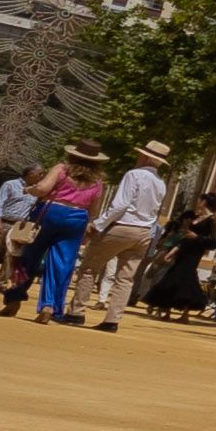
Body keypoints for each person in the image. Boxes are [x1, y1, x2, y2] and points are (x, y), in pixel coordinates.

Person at [77, 140, 173, 331]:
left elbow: (120, 205)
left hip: (123, 226)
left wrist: (99, 224)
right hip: (143, 232)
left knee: (89, 267)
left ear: (145, 157)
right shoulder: (161, 183)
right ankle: (112, 319)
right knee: (125, 279)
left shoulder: (134, 174)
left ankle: (76, 311)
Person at [6, 144, 107, 321]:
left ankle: (14, 299)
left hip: (50, 213)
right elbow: (94, 210)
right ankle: (49, 305)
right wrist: (87, 228)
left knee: (29, 256)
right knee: (62, 263)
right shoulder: (97, 181)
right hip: (77, 218)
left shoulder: (62, 169)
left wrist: (30, 190)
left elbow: (43, 189)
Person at [137, 197, 216, 318]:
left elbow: (213, 241)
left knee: (186, 279)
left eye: (200, 200)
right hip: (183, 251)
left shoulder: (212, 219)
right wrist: (171, 252)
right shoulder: (196, 217)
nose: (198, 202)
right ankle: (167, 310)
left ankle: (185, 314)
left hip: (194, 253)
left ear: (205, 202)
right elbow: (184, 239)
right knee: (172, 278)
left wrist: (197, 237)